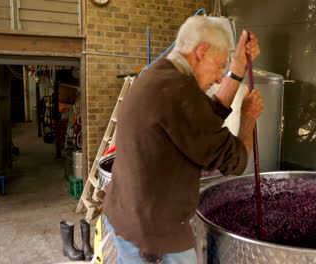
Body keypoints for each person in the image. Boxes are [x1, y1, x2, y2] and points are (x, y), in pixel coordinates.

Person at [102, 15, 263, 264]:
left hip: (127, 218)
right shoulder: (180, 92)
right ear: (201, 51)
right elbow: (235, 161)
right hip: (153, 239)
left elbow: (203, 118)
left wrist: (238, 68)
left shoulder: (160, 74)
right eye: (220, 65)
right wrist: (249, 118)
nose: (221, 77)